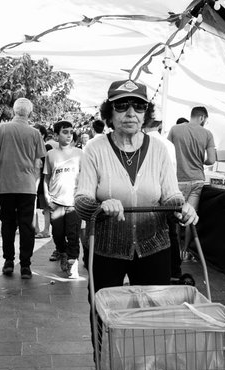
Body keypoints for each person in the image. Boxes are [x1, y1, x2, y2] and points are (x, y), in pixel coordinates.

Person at [74, 79, 197, 299]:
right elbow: (82, 200)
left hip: (154, 247)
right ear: (109, 113)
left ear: (145, 113)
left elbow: (171, 195)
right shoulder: (95, 149)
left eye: (138, 106)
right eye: (121, 105)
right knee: (103, 310)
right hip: (106, 248)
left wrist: (182, 207)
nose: (131, 113)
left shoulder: (159, 149)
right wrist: (101, 207)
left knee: (152, 314)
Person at [0, 98, 47, 279]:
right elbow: (38, 163)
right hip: (27, 187)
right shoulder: (35, 134)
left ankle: (8, 261)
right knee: (27, 226)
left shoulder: (1, 129)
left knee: (8, 224)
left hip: (6, 186)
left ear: (14, 111)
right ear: (29, 113)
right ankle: (25, 266)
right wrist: (32, 181)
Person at [167, 106, 217, 277]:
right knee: (190, 217)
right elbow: (211, 159)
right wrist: (198, 158)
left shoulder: (175, 129)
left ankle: (173, 250)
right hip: (197, 180)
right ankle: (185, 251)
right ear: (202, 117)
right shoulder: (207, 134)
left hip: (177, 179)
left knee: (174, 217)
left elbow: (167, 152)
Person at [44, 120, 82, 278]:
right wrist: (47, 197)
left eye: (71, 132)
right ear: (56, 135)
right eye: (65, 132)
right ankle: (62, 252)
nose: (69, 135)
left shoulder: (80, 153)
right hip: (56, 201)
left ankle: (73, 262)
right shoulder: (51, 154)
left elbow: (86, 175)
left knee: (73, 234)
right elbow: (46, 178)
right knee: (58, 234)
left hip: (74, 202)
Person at [33, 124, 51, 239]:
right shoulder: (31, 148)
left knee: (46, 208)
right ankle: (36, 229)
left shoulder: (47, 148)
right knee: (33, 206)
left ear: (43, 135)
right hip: (33, 181)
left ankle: (46, 230)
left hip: (44, 182)